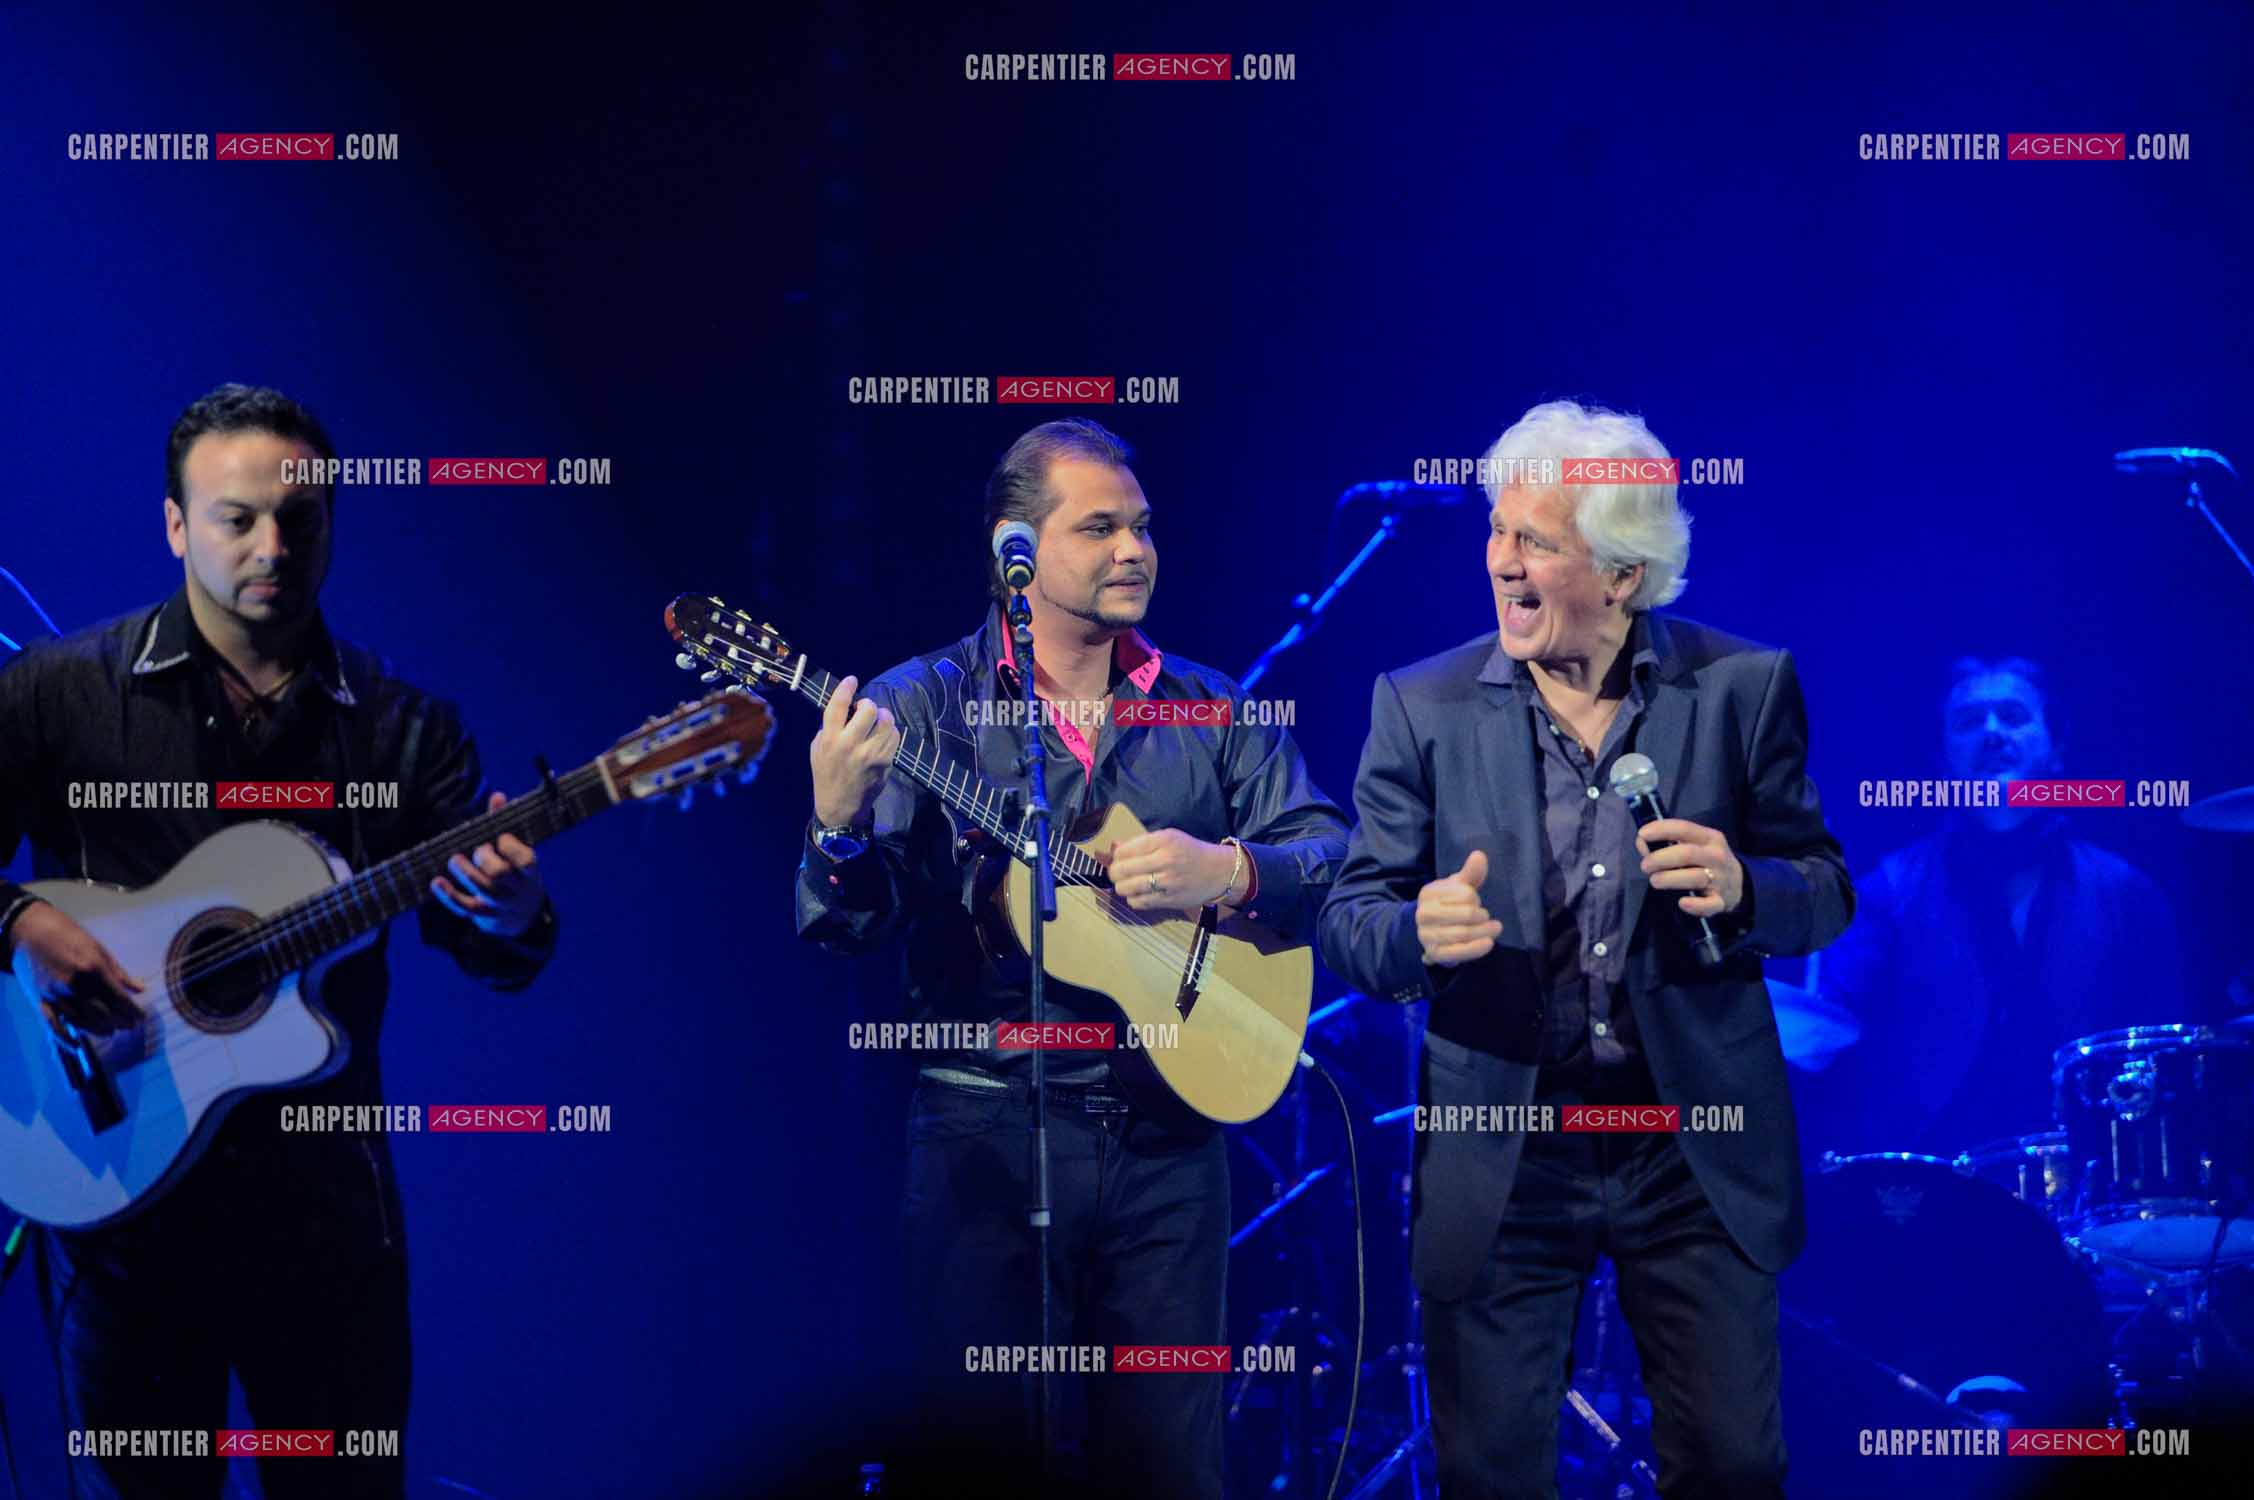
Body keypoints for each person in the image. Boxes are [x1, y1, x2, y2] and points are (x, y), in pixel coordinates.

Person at [0, 383, 559, 1500]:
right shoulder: (60, 695)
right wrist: (20, 919)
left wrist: (509, 913)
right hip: (121, 1203)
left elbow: (491, 944)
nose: (273, 546)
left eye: (301, 518)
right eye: (236, 518)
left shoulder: (404, 729)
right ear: (174, 526)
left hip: (326, 1223)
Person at [794, 419, 1349, 1500]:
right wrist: (836, 831)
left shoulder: (1210, 704)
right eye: (1099, 528)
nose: (1134, 549)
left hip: (1172, 1142)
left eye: (1141, 526)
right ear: (1017, 550)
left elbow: (1331, 854)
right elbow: (846, 926)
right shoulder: (920, 708)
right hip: (984, 1138)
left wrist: (1226, 869)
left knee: (1171, 1469)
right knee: (986, 1464)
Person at [1317, 399, 1854, 1499]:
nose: (1502, 565)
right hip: (1508, 1148)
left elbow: (1826, 889)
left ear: (1621, 576)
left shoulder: (1743, 689)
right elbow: (1348, 916)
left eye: (1537, 544)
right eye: (1498, 533)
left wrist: (1749, 887)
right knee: (1493, 1474)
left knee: (1734, 1465)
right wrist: (1414, 934)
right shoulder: (1419, 707)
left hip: (1689, 1143)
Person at [1811, 656, 2184, 1156]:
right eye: (1968, 721)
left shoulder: (2126, 893)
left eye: (2013, 716)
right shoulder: (1885, 892)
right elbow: (1819, 1028)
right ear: (1944, 758)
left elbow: (2169, 1058)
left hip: (2092, 1188)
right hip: (1929, 1193)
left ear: (2057, 749)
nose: (1992, 733)